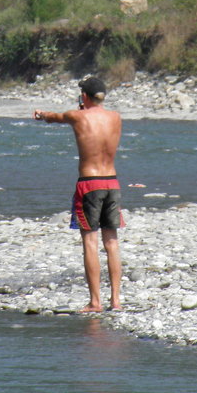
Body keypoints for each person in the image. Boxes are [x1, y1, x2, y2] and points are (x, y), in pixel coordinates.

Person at [33, 77, 123, 312]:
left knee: (90, 242)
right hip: (112, 182)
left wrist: (42, 114)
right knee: (112, 243)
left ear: (84, 96)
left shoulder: (78, 116)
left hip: (90, 183)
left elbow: (56, 117)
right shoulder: (115, 117)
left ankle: (95, 302)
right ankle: (116, 301)